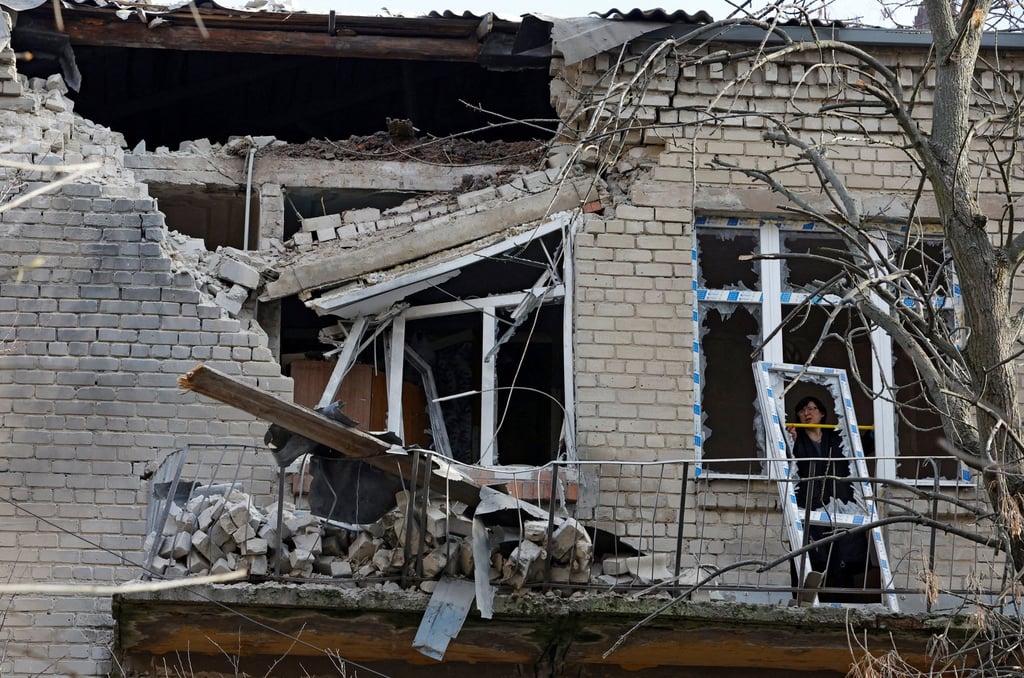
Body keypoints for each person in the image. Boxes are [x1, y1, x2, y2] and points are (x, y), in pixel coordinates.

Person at [786, 396, 869, 596]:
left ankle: (842, 598)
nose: (806, 413)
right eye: (802, 410)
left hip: (839, 503)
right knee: (812, 555)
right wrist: (790, 442)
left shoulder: (836, 438)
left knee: (842, 556)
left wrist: (873, 432)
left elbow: (858, 452)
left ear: (822, 413)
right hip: (808, 504)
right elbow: (789, 466)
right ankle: (807, 599)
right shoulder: (798, 439)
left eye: (811, 408)